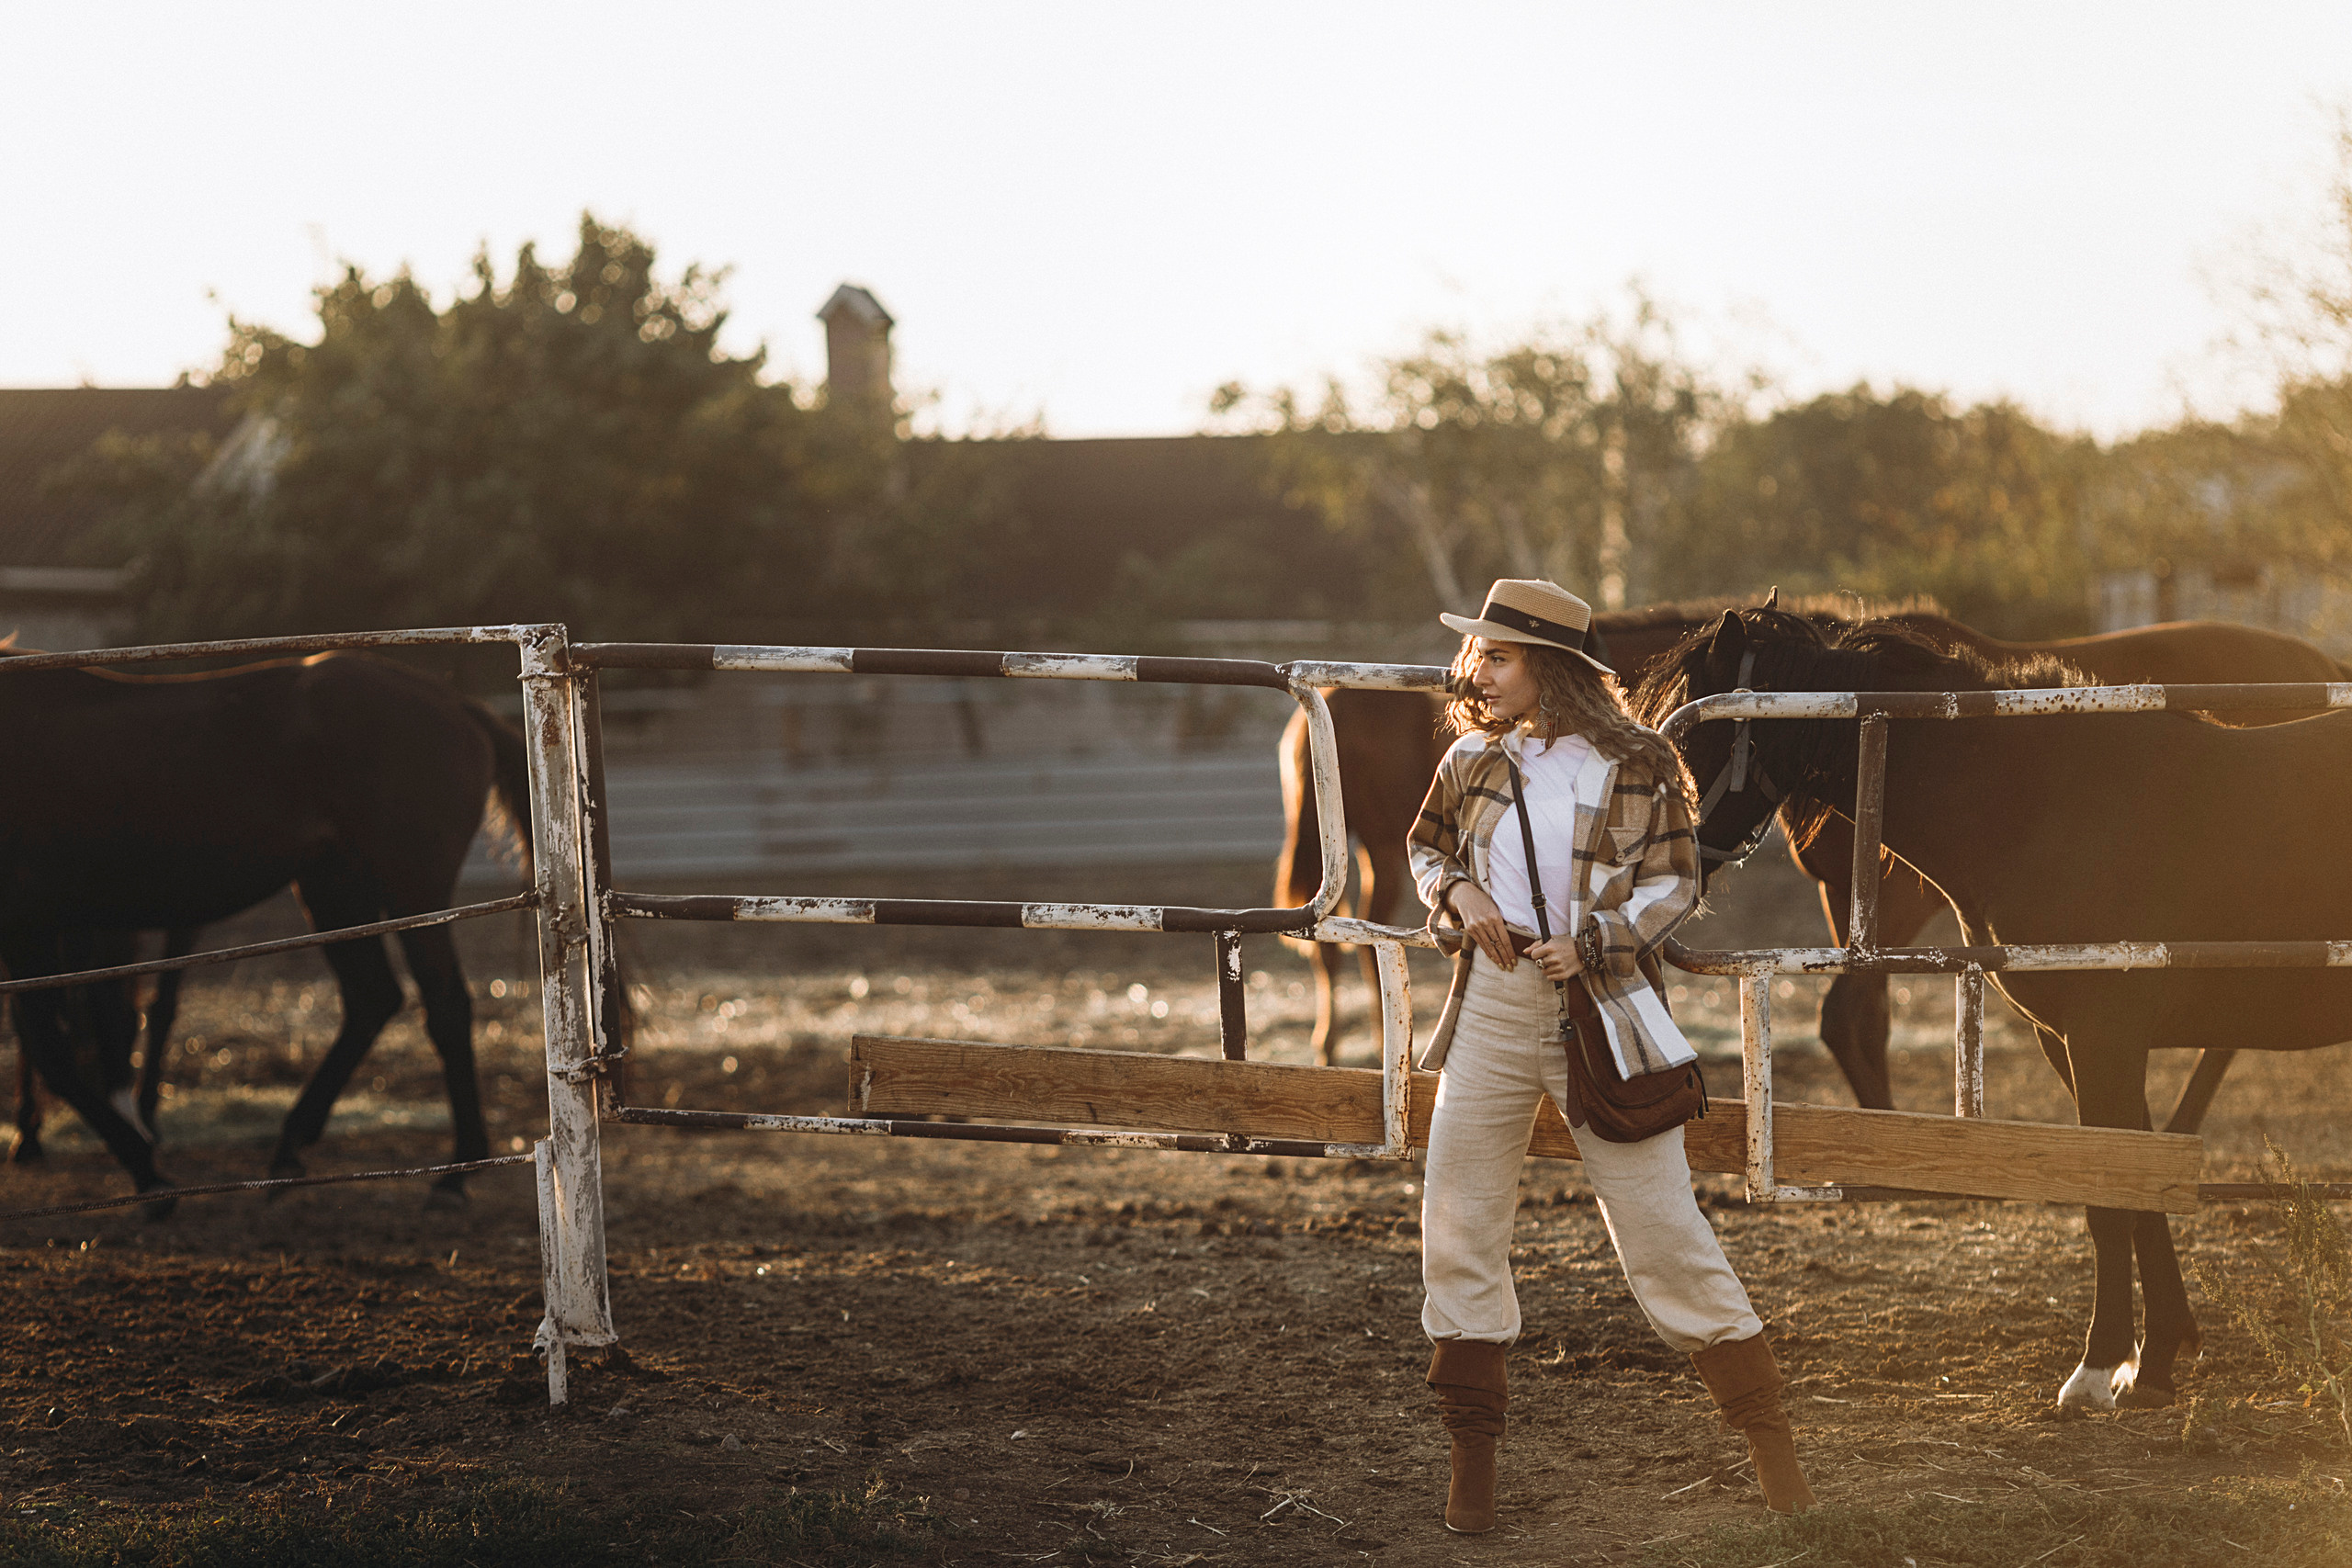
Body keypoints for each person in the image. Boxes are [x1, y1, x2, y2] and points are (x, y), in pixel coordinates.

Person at [1406, 578, 1814, 1532]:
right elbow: (1428, 850)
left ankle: (1773, 1454)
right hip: (1491, 1013)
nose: (1477, 672)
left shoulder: (1636, 761)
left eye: (1497, 656)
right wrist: (1458, 898)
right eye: (1479, 656)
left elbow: (1675, 883)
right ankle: (1471, 1477)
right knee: (1459, 1228)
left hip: (1603, 1013)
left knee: (1663, 1234)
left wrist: (1590, 942)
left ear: (1549, 668)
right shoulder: (1469, 759)